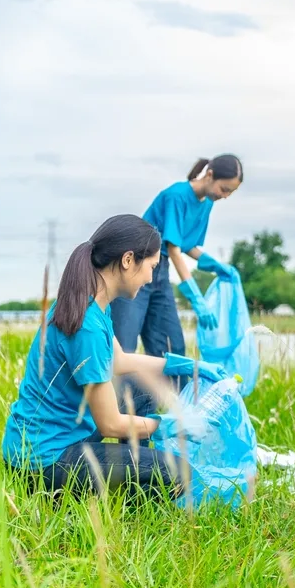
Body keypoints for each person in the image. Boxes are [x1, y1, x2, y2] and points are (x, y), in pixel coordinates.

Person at [1, 214, 228, 499]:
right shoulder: (88, 326)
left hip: (51, 441)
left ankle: (130, 475)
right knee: (180, 472)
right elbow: (110, 424)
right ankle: (123, 501)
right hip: (44, 463)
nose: (150, 279)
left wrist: (188, 365)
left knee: (142, 388)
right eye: (152, 267)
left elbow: (119, 361)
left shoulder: (90, 303)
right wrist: (170, 426)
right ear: (128, 260)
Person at [110, 154, 242, 416]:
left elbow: (188, 246)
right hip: (135, 269)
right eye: (224, 189)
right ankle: (114, 420)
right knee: (122, 348)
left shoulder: (206, 204)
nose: (225, 196)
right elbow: (172, 246)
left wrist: (217, 265)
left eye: (231, 193)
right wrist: (196, 298)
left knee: (171, 347)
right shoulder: (176, 196)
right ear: (210, 174)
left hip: (160, 272)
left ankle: (172, 419)